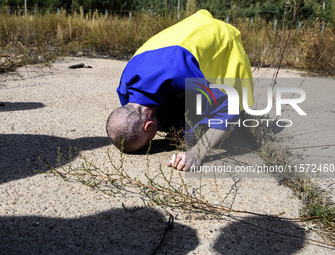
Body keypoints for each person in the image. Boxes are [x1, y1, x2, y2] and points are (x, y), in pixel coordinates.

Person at [106, 10, 254, 171]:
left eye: (149, 141)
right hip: (177, 39)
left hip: (221, 37)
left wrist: (197, 153)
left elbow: (230, 108)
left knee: (233, 99)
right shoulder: (124, 88)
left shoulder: (182, 75)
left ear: (148, 126)